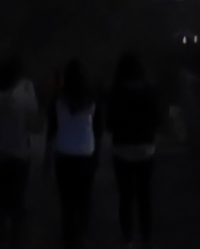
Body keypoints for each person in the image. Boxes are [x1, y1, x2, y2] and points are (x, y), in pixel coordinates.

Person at [0, 59, 45, 241]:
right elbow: (36, 127)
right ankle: (16, 241)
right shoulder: (22, 98)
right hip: (19, 159)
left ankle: (0, 240)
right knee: (17, 207)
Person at [105, 54, 166, 245]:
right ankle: (146, 237)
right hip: (145, 149)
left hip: (122, 149)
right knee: (144, 195)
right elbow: (158, 119)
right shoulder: (150, 91)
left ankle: (127, 239)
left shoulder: (116, 92)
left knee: (125, 196)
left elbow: (109, 124)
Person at [48, 60, 101, 243]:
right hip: (86, 152)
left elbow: (52, 129)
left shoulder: (58, 99)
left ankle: (68, 236)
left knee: (67, 201)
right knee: (84, 197)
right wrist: (97, 156)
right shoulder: (92, 99)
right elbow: (98, 129)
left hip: (63, 154)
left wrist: (47, 158)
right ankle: (83, 232)